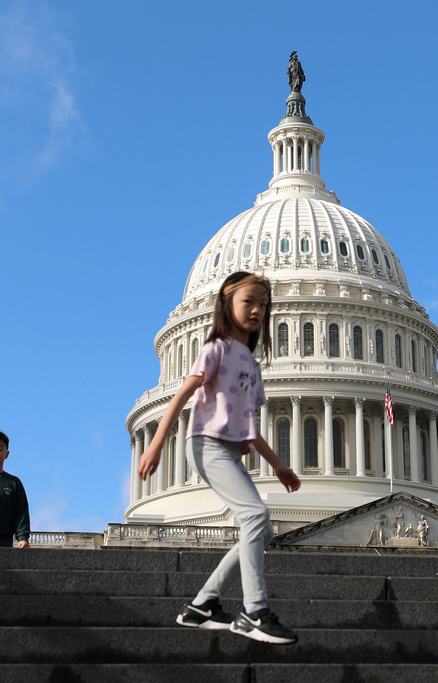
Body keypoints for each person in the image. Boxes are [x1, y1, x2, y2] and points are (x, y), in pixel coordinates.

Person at [138, 271, 301, 645]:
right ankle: (254, 611)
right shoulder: (216, 350)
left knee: (260, 528)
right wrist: (157, 443)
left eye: (263, 303)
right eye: (249, 302)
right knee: (256, 515)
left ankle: (202, 605)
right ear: (227, 304)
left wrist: (278, 464)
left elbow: (249, 426)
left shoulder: (252, 364)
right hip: (204, 443)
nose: (257, 309)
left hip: (228, 448)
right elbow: (182, 395)